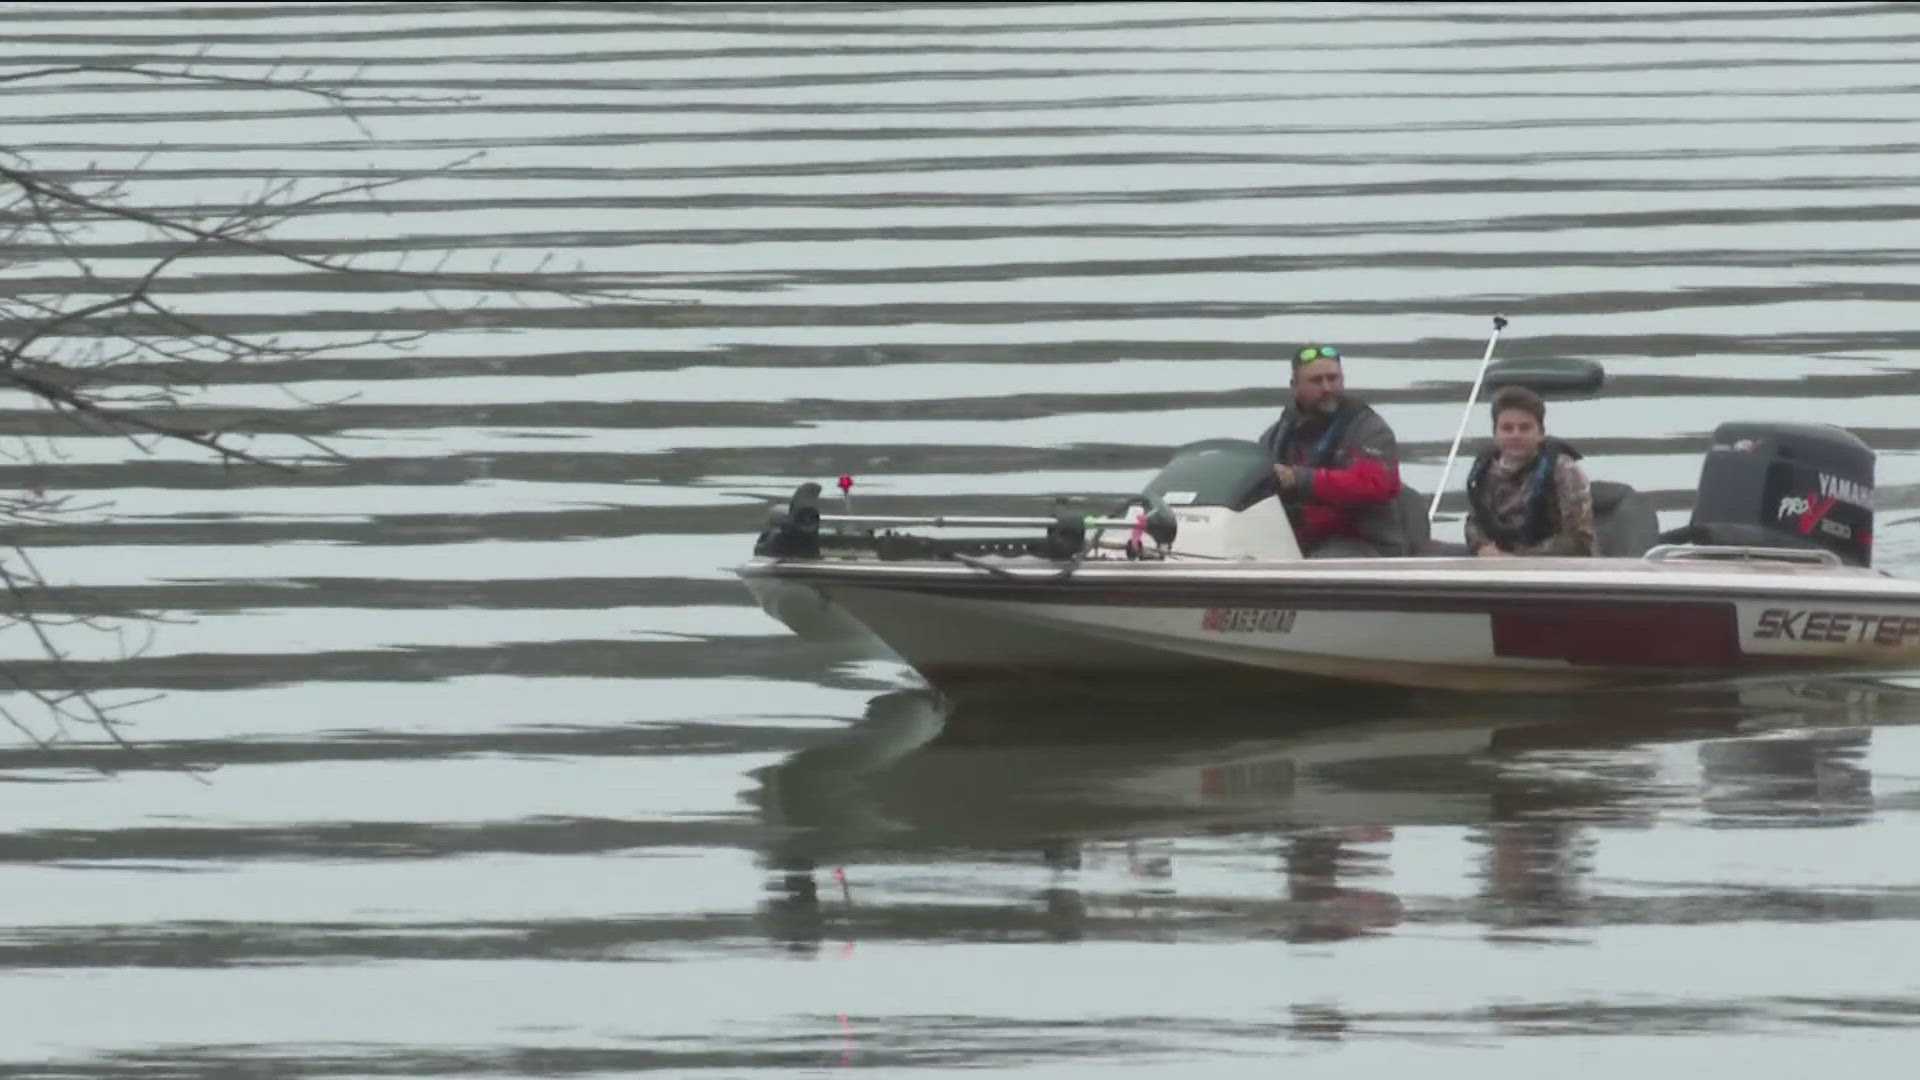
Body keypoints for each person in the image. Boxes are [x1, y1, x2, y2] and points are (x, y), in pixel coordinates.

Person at [1256, 344, 1406, 557]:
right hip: (1300, 540)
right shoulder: (1275, 435)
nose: (1327, 388)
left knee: (1318, 562)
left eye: (1333, 378)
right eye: (1316, 381)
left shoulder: (1369, 429)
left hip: (1366, 544)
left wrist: (1299, 478)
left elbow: (1376, 484)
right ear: (1295, 386)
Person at [1464, 385, 1595, 557]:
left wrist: (1518, 560)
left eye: (1525, 428)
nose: (1516, 435)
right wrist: (1483, 548)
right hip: (1496, 560)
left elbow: (1579, 540)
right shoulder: (1484, 470)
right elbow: (1474, 522)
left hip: (1555, 566)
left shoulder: (1564, 470)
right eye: (1507, 428)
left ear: (1540, 433)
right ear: (1495, 434)